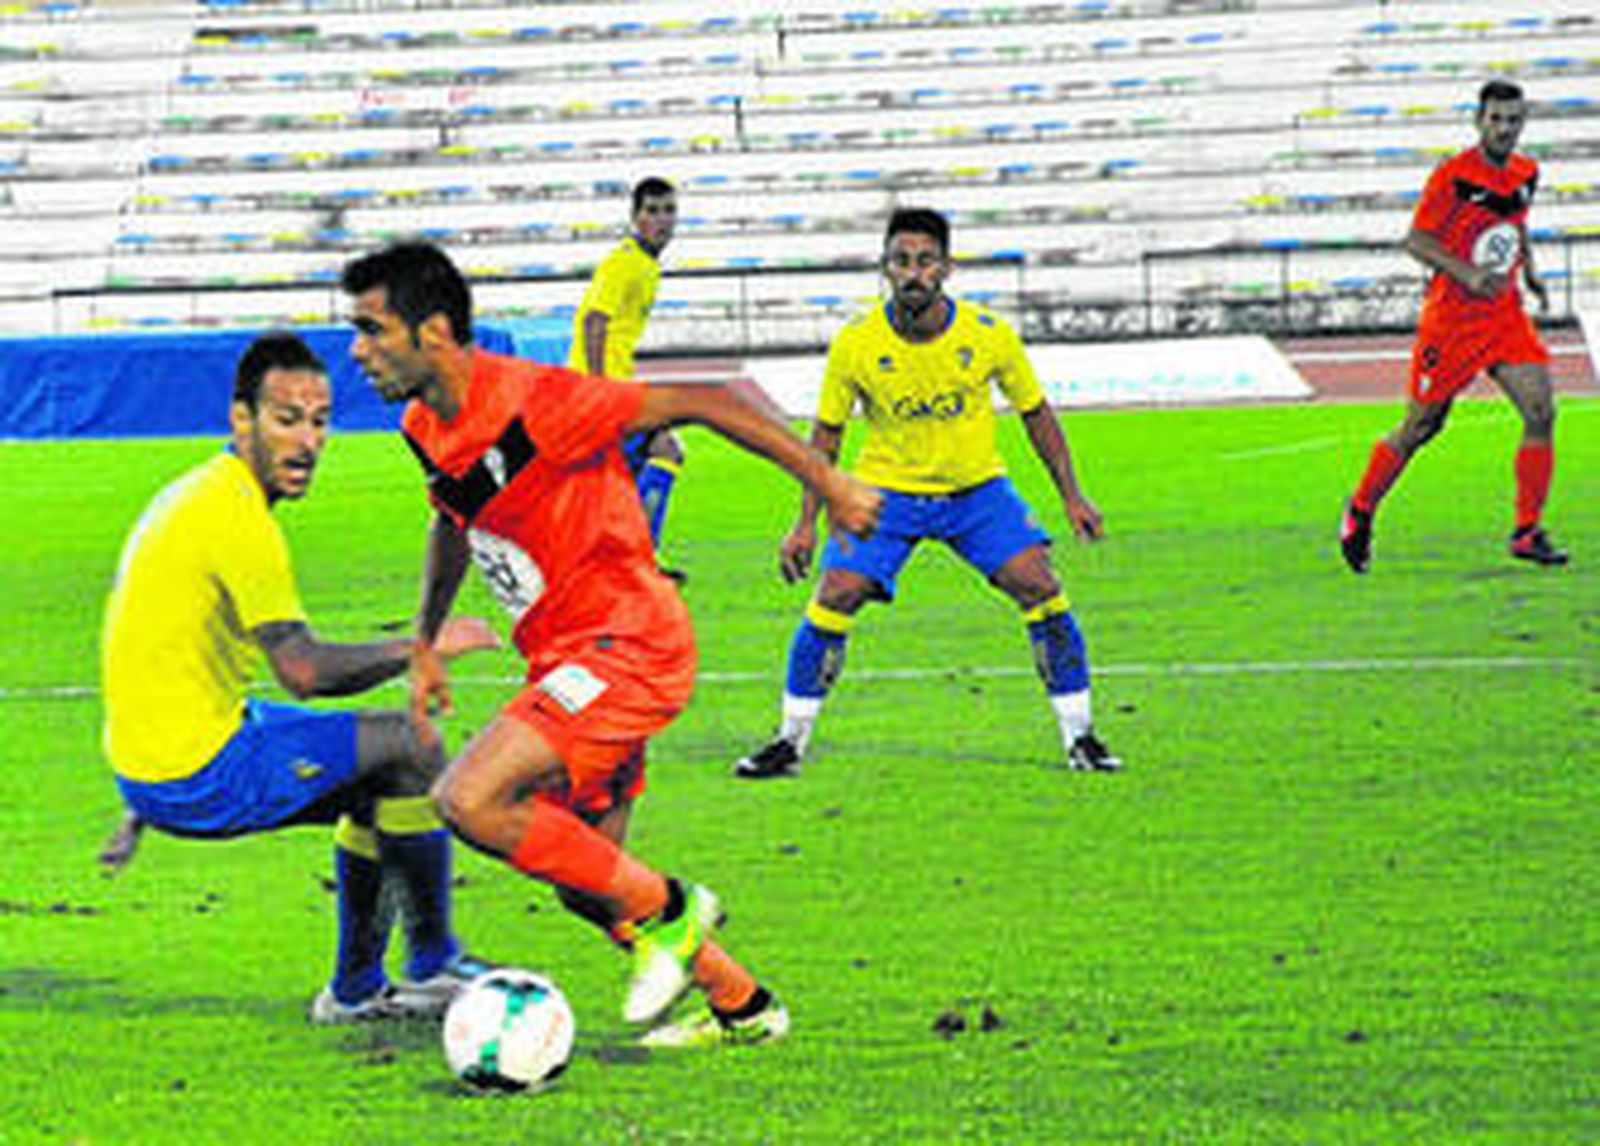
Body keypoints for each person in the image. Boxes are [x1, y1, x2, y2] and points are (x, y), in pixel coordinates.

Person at [340, 241, 880, 1048]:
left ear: (437, 330)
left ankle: (675, 908)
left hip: (629, 647)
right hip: (568, 660)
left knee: (469, 799)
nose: (357, 349)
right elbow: (454, 516)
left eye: (373, 329)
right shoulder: (423, 426)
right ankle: (745, 1007)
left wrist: (829, 485)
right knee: (587, 879)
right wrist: (423, 641)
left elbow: (708, 397)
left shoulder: (543, 402)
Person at [99, 332, 500, 1024]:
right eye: (287, 419)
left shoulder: (200, 492)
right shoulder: (235, 517)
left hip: (163, 753)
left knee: (378, 772)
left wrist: (137, 794)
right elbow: (305, 673)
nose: (309, 440)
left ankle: (358, 988)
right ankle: (430, 965)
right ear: (241, 419)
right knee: (409, 750)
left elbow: (150, 645)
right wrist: (422, 648)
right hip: (193, 769)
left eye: (320, 421)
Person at [735, 207, 1121, 780]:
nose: (912, 272)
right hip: (885, 494)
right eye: (901, 261)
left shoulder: (989, 335)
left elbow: (1036, 414)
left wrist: (1072, 495)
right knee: (838, 590)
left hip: (975, 493)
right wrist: (804, 522)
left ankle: (1081, 737)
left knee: (1038, 584)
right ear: (886, 269)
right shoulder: (856, 343)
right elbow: (827, 438)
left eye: (924, 261)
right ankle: (789, 742)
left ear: (946, 268)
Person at [1340, 79, 1566, 572]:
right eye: (1496, 120)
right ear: (1478, 122)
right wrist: (1468, 274)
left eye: (1513, 120)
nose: (1505, 129)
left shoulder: (1527, 172)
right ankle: (1360, 510)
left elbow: (1516, 220)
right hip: (1452, 323)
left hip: (1503, 315)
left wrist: (1529, 270)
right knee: (1422, 425)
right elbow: (1417, 241)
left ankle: (1526, 531)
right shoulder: (1452, 176)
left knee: (1541, 411)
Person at [568, 176, 686, 563]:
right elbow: (593, 321)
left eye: (668, 211)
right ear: (635, 217)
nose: (662, 220)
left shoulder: (646, 265)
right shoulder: (624, 263)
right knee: (666, 450)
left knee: (624, 474)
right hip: (601, 390)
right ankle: (636, 555)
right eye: (652, 211)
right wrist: (599, 386)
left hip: (613, 386)